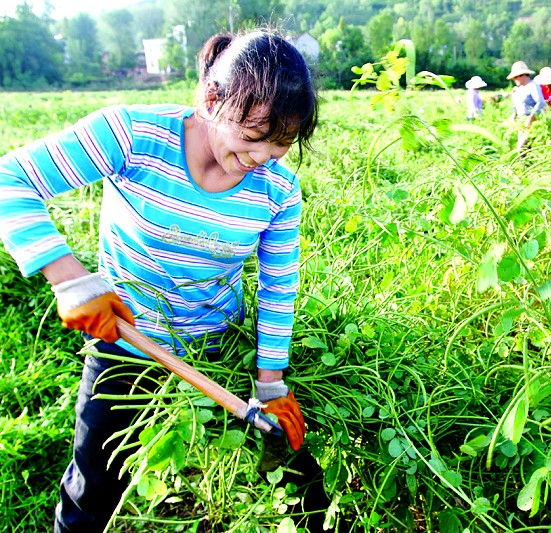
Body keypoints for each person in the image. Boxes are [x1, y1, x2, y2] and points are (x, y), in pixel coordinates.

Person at [0, 28, 318, 533]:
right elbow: (8, 179)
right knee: (93, 486)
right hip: (124, 341)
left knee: (296, 472)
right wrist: (70, 280)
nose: (263, 158)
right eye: (255, 138)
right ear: (213, 99)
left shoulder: (278, 190)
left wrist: (270, 380)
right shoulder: (132, 135)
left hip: (219, 349)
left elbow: (279, 286)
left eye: (281, 145)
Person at [505, 60, 546, 151]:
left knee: (522, 148)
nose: (515, 80)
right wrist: (513, 116)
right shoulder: (519, 89)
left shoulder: (533, 86)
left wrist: (531, 118)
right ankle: (526, 165)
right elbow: (516, 105)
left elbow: (540, 102)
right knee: (524, 149)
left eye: (516, 77)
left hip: (532, 120)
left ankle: (529, 164)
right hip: (522, 121)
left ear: (523, 75)